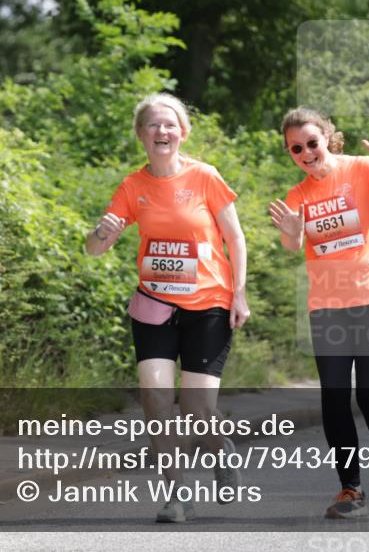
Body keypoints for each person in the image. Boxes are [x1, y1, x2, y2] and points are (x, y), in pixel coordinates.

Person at [85, 92, 250, 523]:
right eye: (153, 125)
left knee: (197, 412)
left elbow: (235, 238)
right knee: (156, 402)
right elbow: (95, 250)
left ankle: (220, 449)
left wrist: (240, 293)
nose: (162, 131)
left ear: (183, 132)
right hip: (154, 305)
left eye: (170, 124)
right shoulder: (133, 186)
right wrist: (100, 232)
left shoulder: (205, 177)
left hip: (209, 304)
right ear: (141, 134)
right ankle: (176, 494)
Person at [268, 108, 369, 519]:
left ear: (327, 138)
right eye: (296, 148)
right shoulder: (297, 195)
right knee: (334, 398)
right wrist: (291, 229)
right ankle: (350, 488)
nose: (306, 153)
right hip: (329, 306)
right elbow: (293, 243)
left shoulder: (364, 170)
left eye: (312, 143)